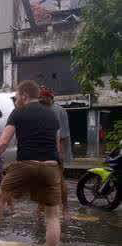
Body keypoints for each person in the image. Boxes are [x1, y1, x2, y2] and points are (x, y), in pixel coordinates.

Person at [0, 80, 62, 246]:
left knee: (0, 197)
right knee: (52, 215)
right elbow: (56, 145)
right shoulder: (52, 114)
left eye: (16, 96)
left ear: (24, 95)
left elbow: (2, 143)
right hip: (51, 166)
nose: (15, 100)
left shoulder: (18, 112)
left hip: (26, 164)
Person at [37, 86, 72, 220]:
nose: (40, 99)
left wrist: (60, 154)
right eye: (39, 97)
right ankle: (40, 208)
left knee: (59, 181)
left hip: (56, 151)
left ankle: (65, 209)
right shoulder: (40, 109)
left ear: (49, 98)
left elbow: (63, 135)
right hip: (41, 151)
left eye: (42, 97)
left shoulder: (58, 110)